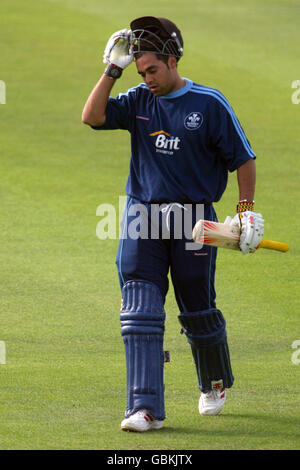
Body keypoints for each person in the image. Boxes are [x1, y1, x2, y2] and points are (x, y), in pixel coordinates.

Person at [82, 16, 264, 432]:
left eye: (152, 71)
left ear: (172, 61)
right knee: (140, 312)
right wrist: (112, 69)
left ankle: (213, 383)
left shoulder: (209, 103)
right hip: (140, 217)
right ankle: (144, 409)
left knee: (197, 308)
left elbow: (244, 158)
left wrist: (246, 209)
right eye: (140, 71)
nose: (146, 79)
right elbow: (91, 117)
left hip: (194, 220)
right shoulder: (138, 100)